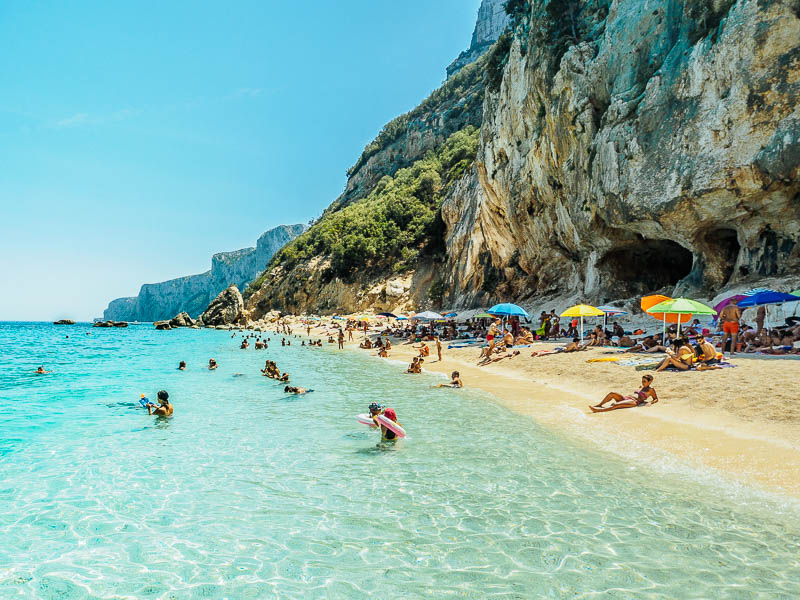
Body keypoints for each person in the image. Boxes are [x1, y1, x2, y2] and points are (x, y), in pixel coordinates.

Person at [589, 375, 658, 412]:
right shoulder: (641, 387)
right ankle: (599, 405)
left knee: (615, 405)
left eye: (644, 381)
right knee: (612, 393)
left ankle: (599, 410)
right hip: (626, 398)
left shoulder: (651, 389)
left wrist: (650, 403)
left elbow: (656, 399)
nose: (642, 382)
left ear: (650, 382)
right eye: (642, 381)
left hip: (634, 402)